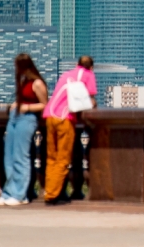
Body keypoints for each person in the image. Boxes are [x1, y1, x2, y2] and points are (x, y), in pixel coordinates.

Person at [0, 53, 48, 206]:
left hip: (27, 119)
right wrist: (15, 105)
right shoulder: (24, 81)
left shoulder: (37, 83)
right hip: (15, 117)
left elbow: (45, 105)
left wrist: (27, 107)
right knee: (9, 156)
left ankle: (20, 194)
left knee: (20, 156)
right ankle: (8, 192)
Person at [43, 55, 97, 205]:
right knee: (63, 158)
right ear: (91, 67)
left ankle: (50, 190)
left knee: (51, 158)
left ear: (76, 64)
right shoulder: (88, 75)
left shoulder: (66, 75)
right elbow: (91, 99)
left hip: (49, 115)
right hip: (64, 118)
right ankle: (52, 195)